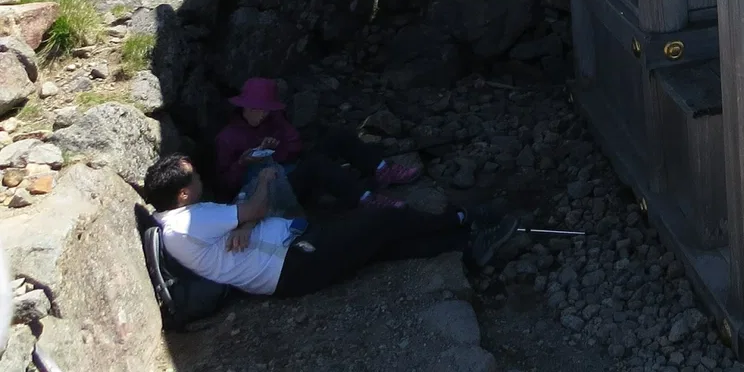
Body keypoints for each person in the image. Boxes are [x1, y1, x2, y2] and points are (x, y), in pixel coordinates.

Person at [142, 154, 516, 298]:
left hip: (287, 265)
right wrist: (266, 179)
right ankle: (463, 219)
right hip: (295, 261)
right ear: (182, 195)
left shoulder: (176, 224)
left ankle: (468, 246)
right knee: (383, 220)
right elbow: (255, 207)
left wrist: (244, 225)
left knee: (379, 247)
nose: (200, 179)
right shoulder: (191, 219)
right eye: (193, 178)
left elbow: (239, 223)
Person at [215, 78, 420, 212]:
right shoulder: (228, 138)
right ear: (244, 107)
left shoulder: (273, 120)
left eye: (266, 109)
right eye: (257, 109)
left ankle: (381, 169)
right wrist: (243, 162)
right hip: (271, 192)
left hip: (291, 170)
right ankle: (365, 199)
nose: (262, 114)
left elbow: (296, 145)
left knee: (337, 136)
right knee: (316, 165)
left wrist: (277, 147)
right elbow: (226, 186)